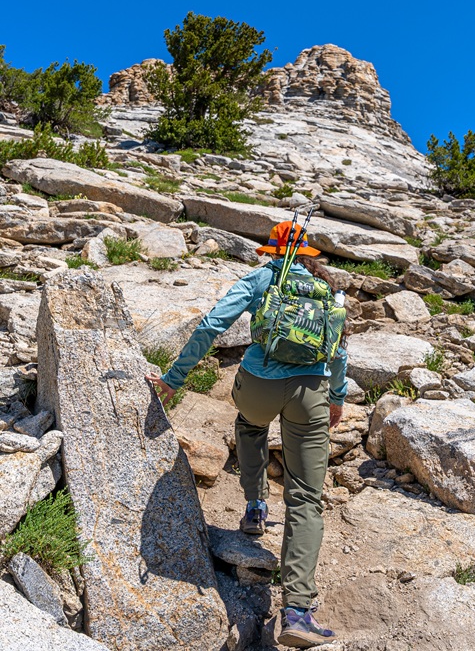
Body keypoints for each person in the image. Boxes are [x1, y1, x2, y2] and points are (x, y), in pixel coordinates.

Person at [147, 219, 347, 650]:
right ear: (307, 254)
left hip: (256, 387)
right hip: (311, 393)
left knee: (251, 423)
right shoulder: (323, 287)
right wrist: (337, 397)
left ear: (272, 251)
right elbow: (339, 348)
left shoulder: (261, 278)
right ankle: (297, 611)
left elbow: (210, 325)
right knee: (306, 498)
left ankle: (255, 506)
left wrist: (174, 378)